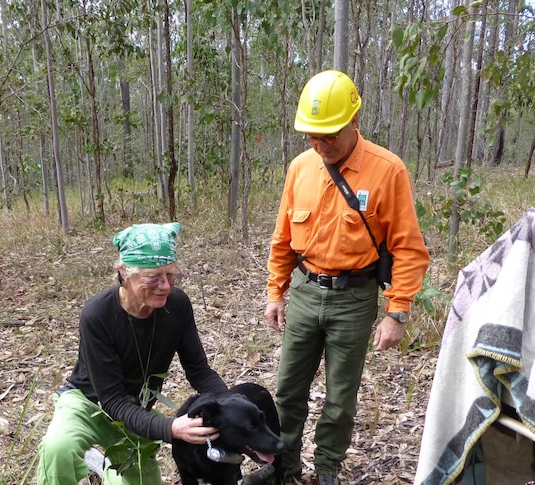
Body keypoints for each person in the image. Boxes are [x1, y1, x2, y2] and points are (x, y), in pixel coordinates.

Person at [260, 70, 429, 485]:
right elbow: (283, 236)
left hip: (354, 298)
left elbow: (409, 247)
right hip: (303, 290)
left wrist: (397, 311)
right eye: (312, 138)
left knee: (340, 397)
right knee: (288, 390)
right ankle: (283, 464)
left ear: (355, 123)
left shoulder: (388, 171)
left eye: (329, 137)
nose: (321, 147)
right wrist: (275, 291)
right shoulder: (301, 168)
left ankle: (327, 468)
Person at [37, 222, 229, 485]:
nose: (165, 286)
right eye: (153, 278)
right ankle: (93, 461)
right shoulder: (97, 315)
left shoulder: (178, 306)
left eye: (171, 276)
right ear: (124, 273)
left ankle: (103, 467)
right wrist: (170, 428)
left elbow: (199, 371)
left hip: (135, 410)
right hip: (87, 403)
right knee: (57, 448)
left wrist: (231, 402)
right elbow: (112, 400)